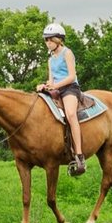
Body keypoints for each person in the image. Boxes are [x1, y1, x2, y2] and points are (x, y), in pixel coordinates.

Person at [38, 24, 87, 176]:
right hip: (57, 89)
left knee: (71, 114)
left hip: (70, 88)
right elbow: (51, 79)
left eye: (49, 40)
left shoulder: (68, 53)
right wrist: (45, 85)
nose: (47, 43)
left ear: (58, 39)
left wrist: (55, 86)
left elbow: (72, 76)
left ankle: (79, 156)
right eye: (46, 40)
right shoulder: (50, 59)